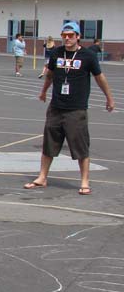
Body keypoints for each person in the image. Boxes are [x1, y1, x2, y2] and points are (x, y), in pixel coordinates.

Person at [24, 21, 115, 195]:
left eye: (70, 35)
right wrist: (43, 92)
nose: (67, 38)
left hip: (76, 109)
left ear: (78, 36)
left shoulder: (88, 56)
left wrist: (109, 98)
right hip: (56, 107)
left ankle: (85, 182)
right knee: (49, 145)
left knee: (80, 147)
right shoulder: (56, 53)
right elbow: (50, 75)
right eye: (64, 35)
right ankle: (42, 177)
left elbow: (99, 78)